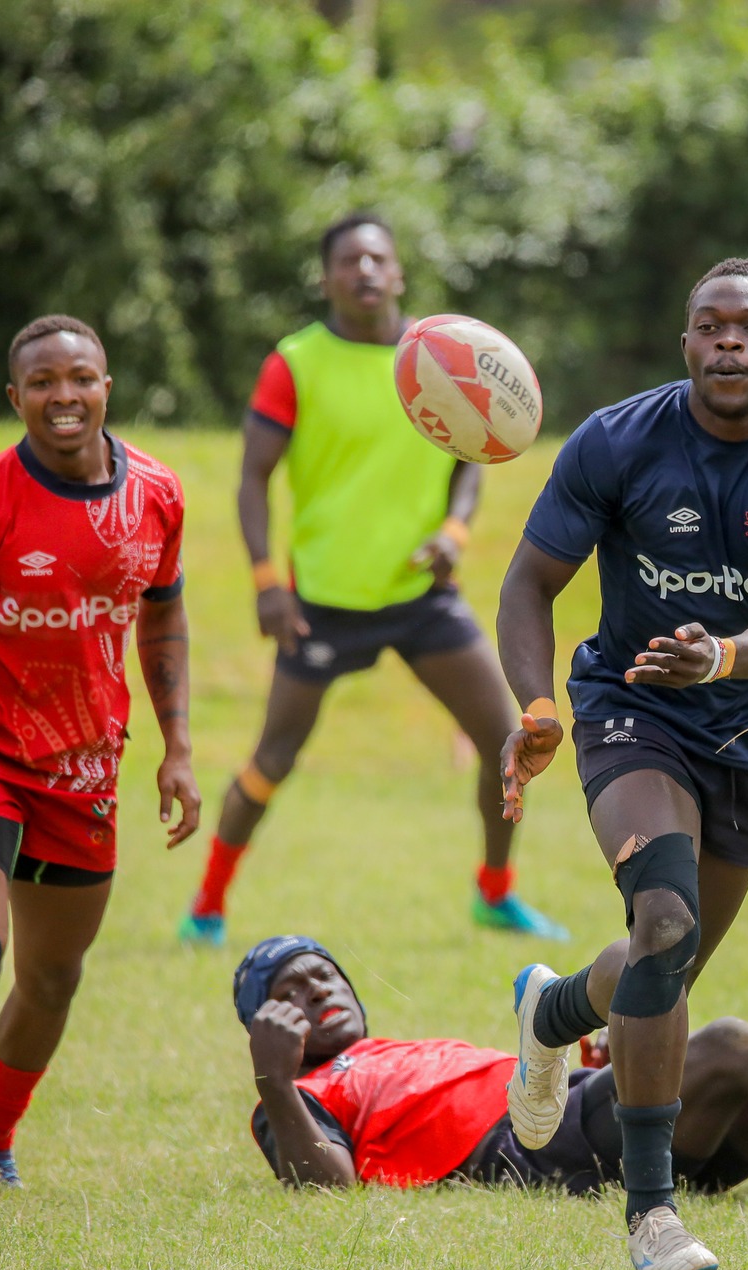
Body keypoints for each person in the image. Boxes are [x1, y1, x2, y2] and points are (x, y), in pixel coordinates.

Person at [493, 257, 748, 1270]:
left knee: (668, 961)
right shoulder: (618, 439)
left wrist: (726, 654)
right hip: (633, 710)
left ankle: (554, 1011)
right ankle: (652, 1213)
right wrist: (534, 710)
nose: (727, 345)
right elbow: (528, 584)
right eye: (708, 326)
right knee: (661, 926)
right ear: (685, 343)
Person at [180, 211, 562, 947]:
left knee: (505, 736)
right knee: (274, 757)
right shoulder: (295, 362)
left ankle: (495, 893)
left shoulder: (442, 355)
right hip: (321, 603)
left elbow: (470, 462)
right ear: (326, 279)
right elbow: (253, 478)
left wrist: (453, 532)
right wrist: (267, 581)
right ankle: (208, 902)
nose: (364, 271)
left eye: (377, 258)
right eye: (348, 260)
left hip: (420, 599)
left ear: (398, 274)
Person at [0, 315, 200, 1210]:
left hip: (86, 770)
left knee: (52, 976)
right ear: (15, 398)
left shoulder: (157, 492)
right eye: (42, 383)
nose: (63, 396)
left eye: (80, 378)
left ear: (107, 385)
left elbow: (163, 619)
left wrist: (177, 746)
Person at [235, 936, 748, 1214]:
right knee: (730, 1042)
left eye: (325, 973)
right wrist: (274, 1084)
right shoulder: (301, 1095)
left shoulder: (381, 1055)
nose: (318, 988)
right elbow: (328, 1186)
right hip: (537, 1149)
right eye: (291, 991)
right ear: (265, 1026)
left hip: (573, 1115)